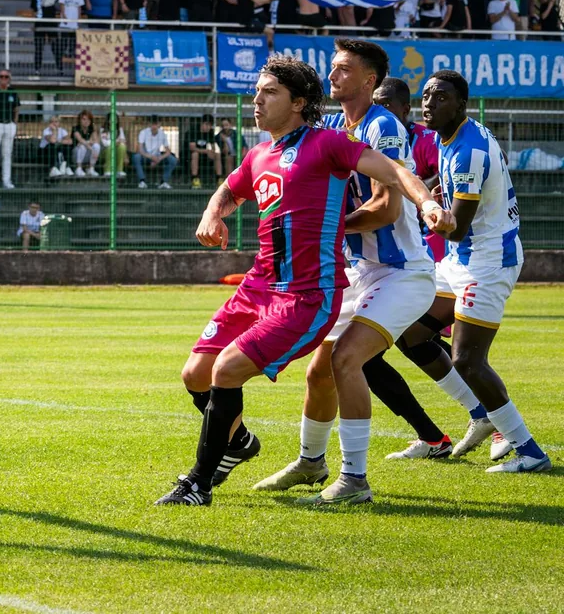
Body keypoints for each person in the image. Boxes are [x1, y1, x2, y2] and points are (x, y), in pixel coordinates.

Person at [155, 56, 451, 506]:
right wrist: (212, 214)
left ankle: (198, 483)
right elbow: (230, 190)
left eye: (269, 92)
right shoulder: (259, 154)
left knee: (227, 370)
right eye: (257, 91)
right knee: (195, 374)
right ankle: (239, 444)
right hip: (258, 285)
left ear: (298, 102)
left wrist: (427, 204)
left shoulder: (328, 143)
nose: (256, 99)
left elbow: (393, 171)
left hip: (306, 295)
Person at [254, 40, 455, 505]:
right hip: (362, 270)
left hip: (401, 271)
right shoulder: (330, 128)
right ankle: (310, 462)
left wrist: (324, 227)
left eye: (344, 68)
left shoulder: (382, 124)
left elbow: (386, 208)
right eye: (333, 67)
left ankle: (355, 481)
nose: (334, 74)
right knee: (318, 374)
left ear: (370, 80)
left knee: (347, 360)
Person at [398, 70, 550, 474]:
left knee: (468, 361)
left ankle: (528, 450)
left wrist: (424, 211)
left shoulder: (468, 150)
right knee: (411, 334)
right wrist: (433, 192)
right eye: (426, 95)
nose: (429, 103)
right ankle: (481, 415)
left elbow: (456, 226)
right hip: (461, 259)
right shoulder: (452, 136)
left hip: (487, 260)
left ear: (461, 105)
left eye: (441, 97)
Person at [0, 70, 20, 189]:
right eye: (1, 76)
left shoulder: (13, 92)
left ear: (9, 79)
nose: (3, 79)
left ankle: (7, 180)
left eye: (6, 77)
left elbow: (16, 109)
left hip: (8, 124)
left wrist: (15, 124)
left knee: (7, 154)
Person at [133, 115, 177, 189]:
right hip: (146, 156)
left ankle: (164, 181)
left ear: (159, 124)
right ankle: (142, 181)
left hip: (157, 156)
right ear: (149, 124)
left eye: (156, 124)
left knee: (173, 160)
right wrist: (151, 157)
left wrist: (159, 158)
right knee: (136, 157)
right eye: (152, 124)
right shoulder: (143, 132)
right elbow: (140, 150)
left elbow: (168, 151)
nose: (154, 126)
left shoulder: (162, 134)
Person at [185, 114, 222, 188]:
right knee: (195, 154)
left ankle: (219, 179)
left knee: (217, 154)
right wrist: (206, 151)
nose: (208, 127)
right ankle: (195, 179)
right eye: (206, 124)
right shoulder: (193, 131)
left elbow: (213, 146)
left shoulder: (210, 132)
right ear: (202, 123)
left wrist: (212, 152)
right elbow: (192, 148)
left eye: (210, 125)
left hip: (204, 156)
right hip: (189, 156)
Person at [71, 110, 101, 177]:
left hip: (88, 153)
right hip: (76, 155)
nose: (86, 121)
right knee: (82, 146)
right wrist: (90, 144)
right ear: (79, 120)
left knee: (97, 146)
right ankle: (78, 168)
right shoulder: (75, 128)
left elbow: (96, 141)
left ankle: (91, 168)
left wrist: (88, 143)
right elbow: (81, 140)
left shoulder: (91, 129)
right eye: (84, 119)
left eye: (88, 119)